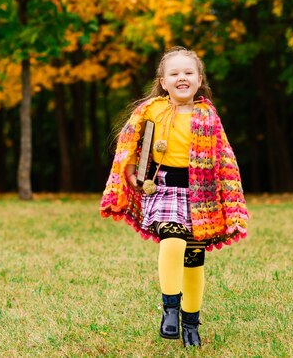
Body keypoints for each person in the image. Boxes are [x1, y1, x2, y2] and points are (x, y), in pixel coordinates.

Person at [100, 46, 249, 348]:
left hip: (200, 197)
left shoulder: (208, 116)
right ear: (163, 81)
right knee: (172, 239)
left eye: (188, 73)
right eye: (174, 73)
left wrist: (231, 204)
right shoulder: (152, 110)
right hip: (164, 189)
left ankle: (191, 322)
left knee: (194, 260)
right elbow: (129, 141)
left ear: (199, 79)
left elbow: (224, 159)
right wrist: (130, 169)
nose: (182, 78)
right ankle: (170, 308)